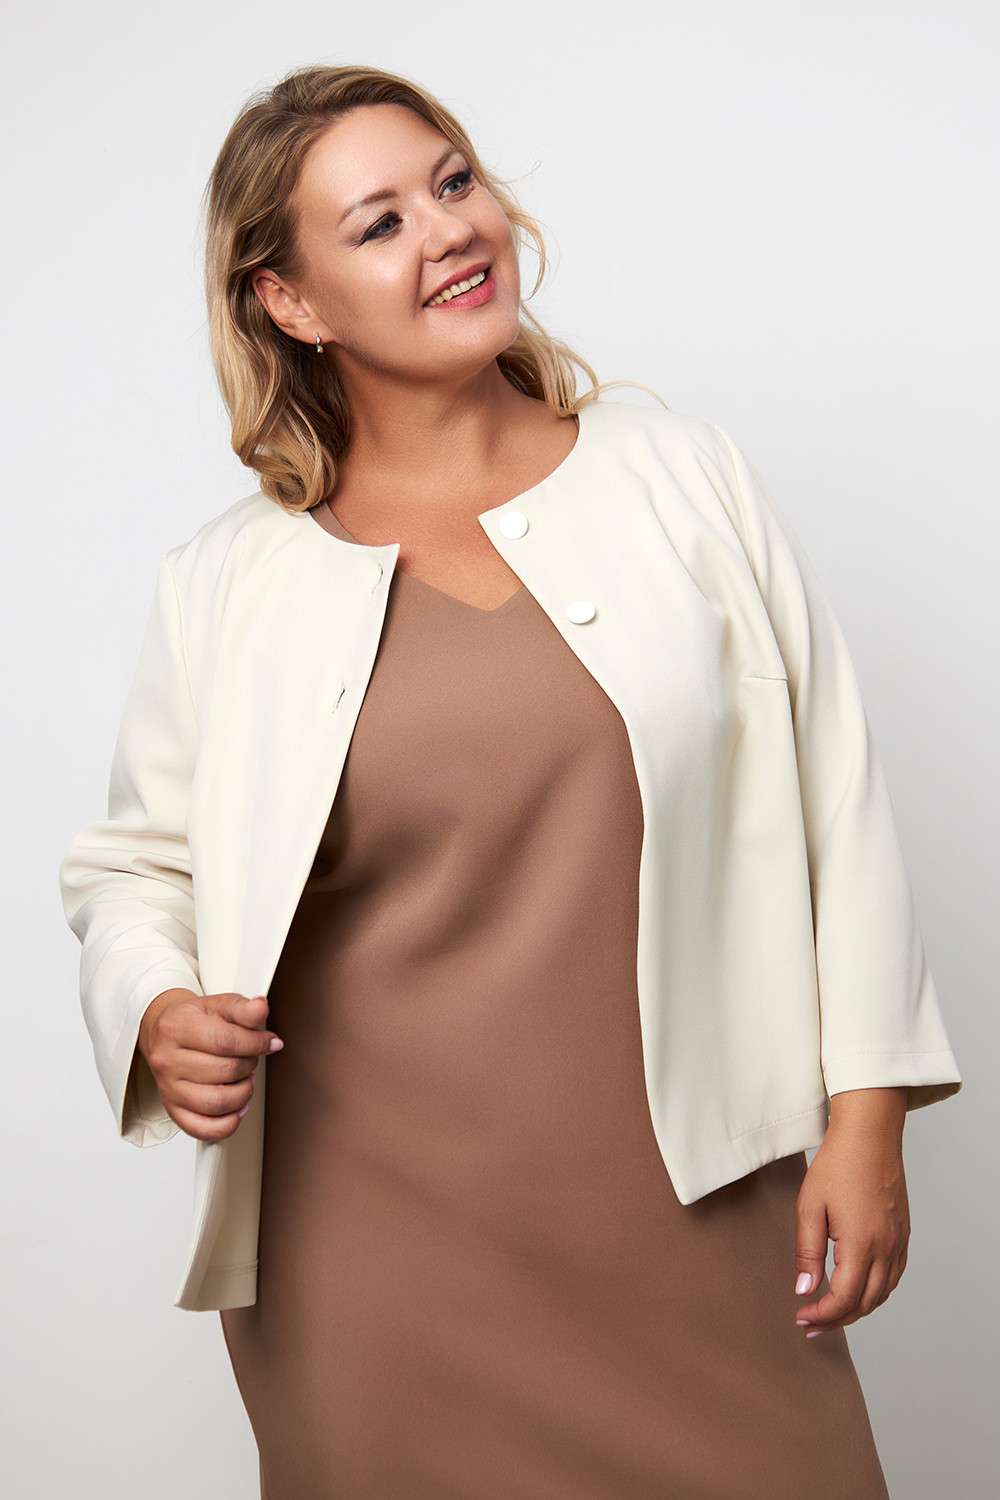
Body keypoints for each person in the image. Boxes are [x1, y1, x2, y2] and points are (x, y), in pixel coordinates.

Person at [60, 63, 962, 1499]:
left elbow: (836, 808)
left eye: (454, 181)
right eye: (378, 224)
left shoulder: (685, 480)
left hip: (701, 1211)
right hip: (367, 1266)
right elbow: (132, 869)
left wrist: (868, 1124)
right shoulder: (226, 583)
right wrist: (157, 1008)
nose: (448, 231)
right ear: (289, 302)